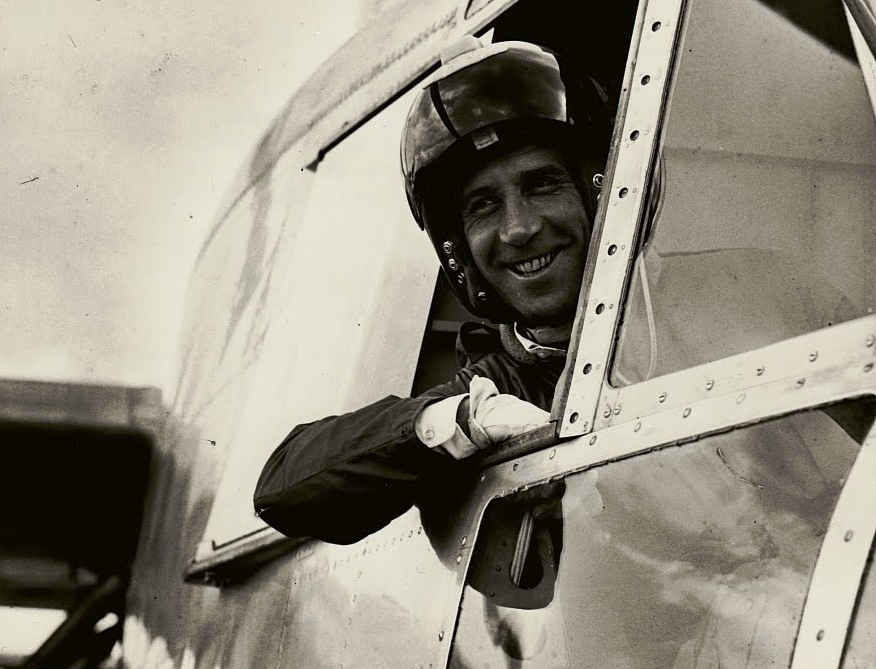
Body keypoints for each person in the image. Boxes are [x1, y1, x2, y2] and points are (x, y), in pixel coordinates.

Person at [253, 36, 611, 545]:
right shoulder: (494, 386)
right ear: (458, 246)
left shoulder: (721, 309)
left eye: (540, 185)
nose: (517, 229)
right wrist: (455, 423)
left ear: (597, 189)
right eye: (483, 205)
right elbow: (283, 485)